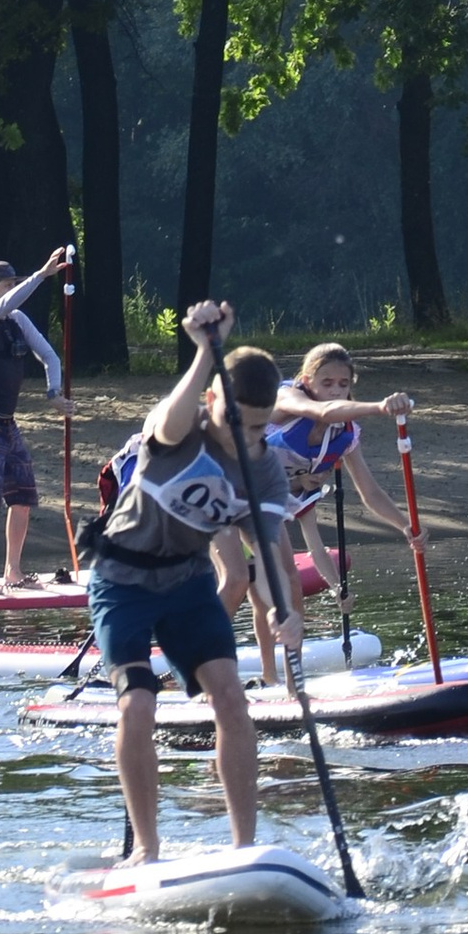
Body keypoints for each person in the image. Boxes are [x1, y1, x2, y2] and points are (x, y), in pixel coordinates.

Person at [78, 300, 299, 865]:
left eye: (256, 430)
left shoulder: (266, 471)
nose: (242, 440)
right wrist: (205, 350)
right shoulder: (180, 429)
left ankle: (245, 850)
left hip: (188, 583)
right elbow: (169, 418)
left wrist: (283, 612)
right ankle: (146, 851)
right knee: (138, 706)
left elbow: (267, 557)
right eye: (232, 422)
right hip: (120, 578)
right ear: (211, 403)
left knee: (231, 696)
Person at [246, 342, 422, 678]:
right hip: (230, 493)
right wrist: (382, 407)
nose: (335, 390)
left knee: (290, 587)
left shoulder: (346, 434)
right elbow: (323, 412)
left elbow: (369, 491)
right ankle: (264, 674)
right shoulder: (286, 398)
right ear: (306, 381)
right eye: (326, 383)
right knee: (259, 587)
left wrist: (407, 526)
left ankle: (289, 680)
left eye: (343, 384)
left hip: (271, 504)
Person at [0, 247, 72, 588]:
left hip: (7, 424)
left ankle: (13, 572)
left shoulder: (18, 321)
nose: (12, 290)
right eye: (8, 284)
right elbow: (5, 306)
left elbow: (50, 356)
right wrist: (41, 275)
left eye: (14, 283)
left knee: (22, 498)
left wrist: (54, 394)